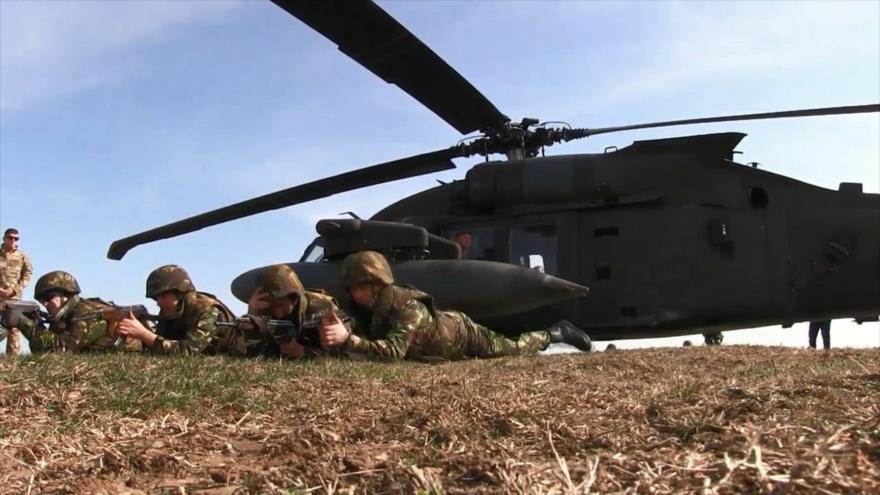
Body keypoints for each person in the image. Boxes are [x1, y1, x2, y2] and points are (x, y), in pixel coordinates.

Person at [319, 250, 592, 361]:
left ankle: (555, 333)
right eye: (352, 289)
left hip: (461, 333)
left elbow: (392, 353)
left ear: (377, 285)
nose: (355, 295)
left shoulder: (407, 307)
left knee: (513, 349)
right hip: (438, 346)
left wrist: (350, 340)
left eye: (361, 288)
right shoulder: (366, 309)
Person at [4, 270, 143, 352]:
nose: (46, 304)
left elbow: (62, 350)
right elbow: (44, 351)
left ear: (66, 295)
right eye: (42, 301)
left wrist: (24, 324)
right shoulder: (63, 318)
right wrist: (35, 324)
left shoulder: (88, 312)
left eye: (49, 297)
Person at [116, 265, 235, 355]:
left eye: (163, 296)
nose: (158, 302)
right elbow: (159, 347)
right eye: (156, 298)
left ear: (180, 293)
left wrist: (143, 334)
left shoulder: (208, 310)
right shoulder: (172, 311)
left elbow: (187, 351)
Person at [240, 264, 346, 358]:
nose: (278, 313)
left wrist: (303, 352)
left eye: (281, 305)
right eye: (271, 306)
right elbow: (248, 349)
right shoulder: (263, 310)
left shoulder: (320, 309)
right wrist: (252, 313)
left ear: (294, 299)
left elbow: (341, 353)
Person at [0, 228, 33, 356]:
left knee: (13, 328)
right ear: (4, 238)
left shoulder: (22, 256)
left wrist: (16, 290)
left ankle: (12, 361)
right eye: (10, 237)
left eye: (16, 238)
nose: (13, 240)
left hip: (14, 299)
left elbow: (27, 274)